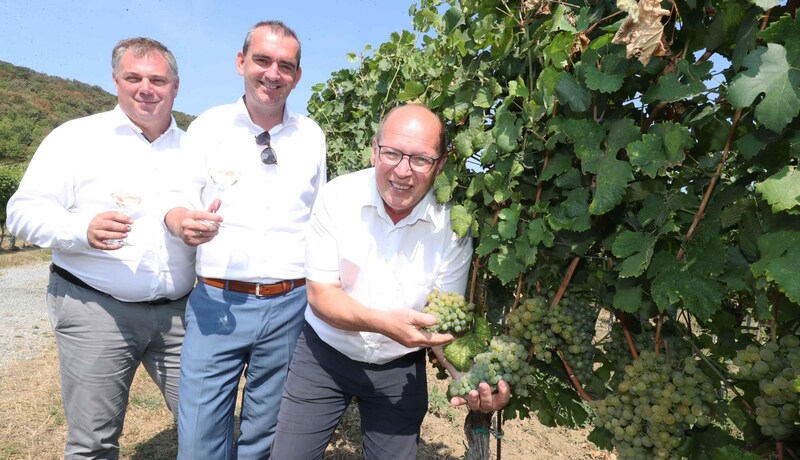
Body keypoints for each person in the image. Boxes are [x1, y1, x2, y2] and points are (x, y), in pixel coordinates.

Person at [269, 104, 511, 460]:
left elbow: (442, 322)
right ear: (373, 149)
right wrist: (383, 323)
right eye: (393, 153)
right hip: (324, 358)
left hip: (399, 369)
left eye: (420, 159)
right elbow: (321, 296)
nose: (403, 171)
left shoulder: (452, 229)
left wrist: (471, 379)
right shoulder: (338, 198)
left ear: (440, 165)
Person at [6, 37, 193, 459]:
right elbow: (21, 212)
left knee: (203, 422)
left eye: (158, 79)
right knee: (93, 440)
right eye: (133, 77)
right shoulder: (76, 138)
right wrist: (79, 228)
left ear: (176, 87)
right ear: (115, 81)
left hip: (181, 312)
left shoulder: (194, 149)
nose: (146, 88)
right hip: (96, 308)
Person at [162, 20, 327, 459]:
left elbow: (318, 218)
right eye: (262, 60)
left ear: (297, 75)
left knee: (266, 434)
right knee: (199, 436)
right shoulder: (208, 128)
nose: (273, 73)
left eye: (285, 66)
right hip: (218, 301)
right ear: (241, 63)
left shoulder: (312, 137)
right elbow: (176, 201)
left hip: (290, 304)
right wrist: (183, 225)